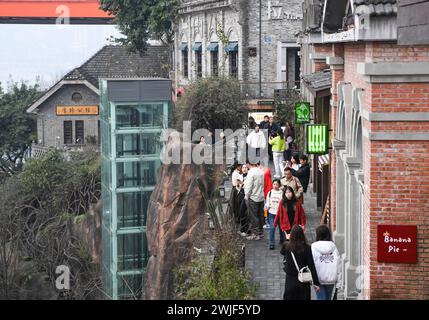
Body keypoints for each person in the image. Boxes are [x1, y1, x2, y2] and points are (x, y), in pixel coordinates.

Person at [281, 225, 320, 300]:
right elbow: (311, 266)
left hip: (290, 281)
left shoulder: (287, 246)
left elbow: (282, 252)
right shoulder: (307, 248)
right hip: (303, 280)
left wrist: (288, 239)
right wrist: (316, 283)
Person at [311, 225, 342, 300]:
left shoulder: (313, 247)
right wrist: (339, 283)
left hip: (318, 279)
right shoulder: (333, 247)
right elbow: (339, 265)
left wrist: (311, 279)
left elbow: (311, 264)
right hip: (331, 278)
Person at [244, 160, 265, 240]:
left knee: (253, 216)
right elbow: (263, 184)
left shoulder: (251, 173)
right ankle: (260, 232)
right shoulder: (261, 171)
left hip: (253, 197)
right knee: (260, 215)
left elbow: (249, 187)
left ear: (248, 163)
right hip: (261, 196)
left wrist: (246, 196)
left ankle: (255, 234)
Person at [264, 179, 285, 250]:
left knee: (281, 228)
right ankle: (271, 243)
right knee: (272, 228)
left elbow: (284, 203)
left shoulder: (282, 193)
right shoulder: (270, 193)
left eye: (276, 184)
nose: (275, 186)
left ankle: (282, 240)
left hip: (279, 214)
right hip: (271, 213)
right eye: (274, 184)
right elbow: (267, 201)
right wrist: (267, 206)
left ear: (279, 185)